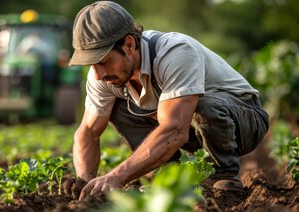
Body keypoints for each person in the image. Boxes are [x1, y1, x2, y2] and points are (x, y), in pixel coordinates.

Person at [68, 1, 269, 199]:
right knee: (118, 108)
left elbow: (175, 129)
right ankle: (168, 175)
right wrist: (84, 182)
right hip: (194, 129)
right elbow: (88, 132)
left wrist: (116, 177)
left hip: (244, 120)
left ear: (129, 45)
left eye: (104, 61)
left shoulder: (175, 52)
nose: (98, 74)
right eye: (91, 65)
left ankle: (224, 175)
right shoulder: (102, 76)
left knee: (203, 105)